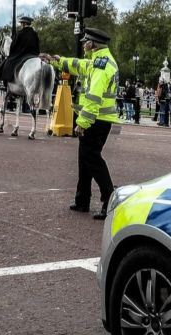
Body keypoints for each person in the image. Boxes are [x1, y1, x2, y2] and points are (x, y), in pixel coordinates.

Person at [46, 27, 118, 220]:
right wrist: (56, 61)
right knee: (85, 160)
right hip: (98, 119)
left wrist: (83, 123)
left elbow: (94, 97)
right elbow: (78, 65)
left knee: (92, 159)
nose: (84, 44)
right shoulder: (98, 61)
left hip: (96, 120)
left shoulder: (101, 65)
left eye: (86, 42)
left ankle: (109, 199)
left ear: (92, 44)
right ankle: (82, 199)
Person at [0, 16, 40, 84]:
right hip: (34, 54)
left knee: (8, 61)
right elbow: (37, 46)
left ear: (24, 24)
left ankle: (4, 79)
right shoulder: (35, 33)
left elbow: (13, 46)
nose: (21, 25)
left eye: (21, 23)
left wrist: (11, 54)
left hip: (21, 54)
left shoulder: (20, 33)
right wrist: (36, 54)